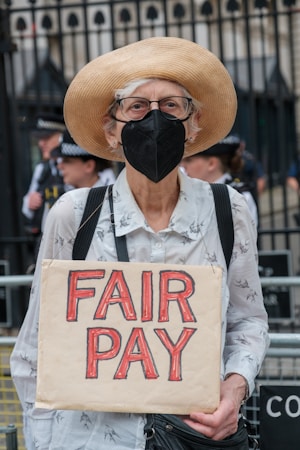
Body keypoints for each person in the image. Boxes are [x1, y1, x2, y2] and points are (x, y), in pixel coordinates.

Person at [10, 37, 269, 450]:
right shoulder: (73, 216)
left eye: (171, 105)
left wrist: (234, 389)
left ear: (193, 124)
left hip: (193, 437)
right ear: (112, 131)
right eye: (136, 107)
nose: (154, 119)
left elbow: (248, 321)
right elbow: (36, 350)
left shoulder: (227, 209)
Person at [181, 135, 258, 226]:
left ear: (211, 164)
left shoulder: (238, 196)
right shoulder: (186, 193)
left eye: (189, 161)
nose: (183, 166)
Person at [22, 112, 66, 235]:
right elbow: (27, 204)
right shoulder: (42, 168)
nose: (41, 143)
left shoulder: (77, 165)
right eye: (40, 139)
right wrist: (30, 202)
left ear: (61, 136)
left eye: (47, 137)